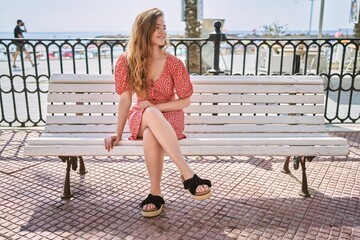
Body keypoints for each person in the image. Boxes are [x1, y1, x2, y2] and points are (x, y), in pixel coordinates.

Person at [104, 8, 212, 218]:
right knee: (150, 116)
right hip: (141, 117)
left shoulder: (173, 63)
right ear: (144, 31)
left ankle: (155, 193)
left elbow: (185, 100)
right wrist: (118, 132)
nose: (163, 32)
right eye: (157, 27)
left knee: (153, 130)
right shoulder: (126, 61)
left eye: (164, 27)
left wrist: (157, 108)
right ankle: (188, 174)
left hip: (169, 116)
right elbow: (126, 98)